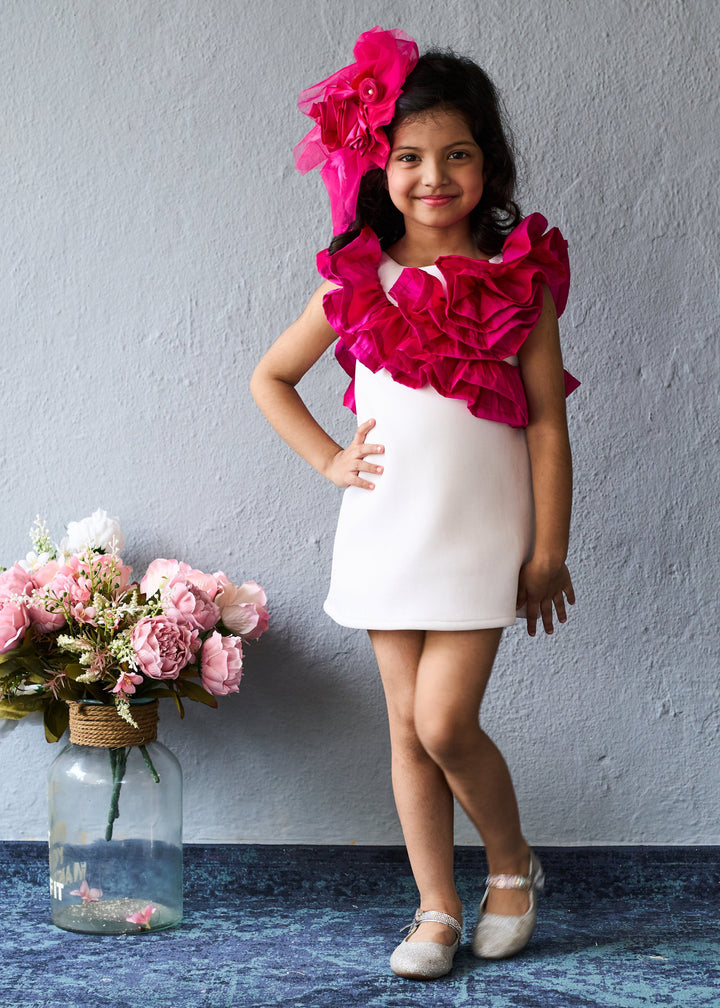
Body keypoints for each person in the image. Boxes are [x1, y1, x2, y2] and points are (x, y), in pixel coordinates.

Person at [251, 27, 577, 981]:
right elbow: (272, 377)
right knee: (403, 727)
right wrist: (328, 461)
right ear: (379, 167)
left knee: (443, 722)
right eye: (410, 157)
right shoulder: (360, 277)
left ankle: (511, 868)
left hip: (482, 536)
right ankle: (435, 907)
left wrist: (549, 548)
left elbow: (549, 425)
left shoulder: (521, 277)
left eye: (458, 154)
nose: (434, 176)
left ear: (488, 162)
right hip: (384, 532)